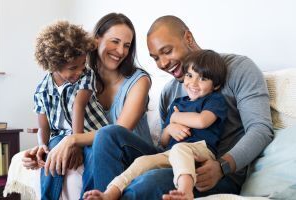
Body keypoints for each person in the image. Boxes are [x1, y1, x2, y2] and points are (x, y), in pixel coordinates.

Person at [83, 15, 274, 200]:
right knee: (107, 134)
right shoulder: (169, 92)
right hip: (173, 160)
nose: (163, 64)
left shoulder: (239, 68)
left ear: (188, 38)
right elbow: (165, 147)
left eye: (167, 51)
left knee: (146, 183)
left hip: (213, 172)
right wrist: (169, 129)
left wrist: (223, 166)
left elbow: (261, 129)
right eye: (156, 58)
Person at [22, 13, 154, 199]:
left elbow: (118, 132)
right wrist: (43, 148)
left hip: (132, 153)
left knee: (100, 144)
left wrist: (73, 139)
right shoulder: (80, 77)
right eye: (115, 41)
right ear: (96, 39)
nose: (121, 51)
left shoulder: (138, 81)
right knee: (57, 148)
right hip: (99, 148)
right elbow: (58, 121)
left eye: (127, 45)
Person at [83, 49, 228, 200]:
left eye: (203, 79)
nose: (193, 83)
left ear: (216, 85)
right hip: (170, 154)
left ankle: (185, 192)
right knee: (142, 162)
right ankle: (109, 193)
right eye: (190, 75)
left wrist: (176, 117)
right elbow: (163, 141)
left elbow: (202, 121)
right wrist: (170, 127)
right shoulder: (177, 103)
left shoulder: (214, 100)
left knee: (180, 148)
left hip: (200, 152)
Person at [27, 20, 109, 200]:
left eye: (82, 64)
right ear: (53, 64)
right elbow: (43, 126)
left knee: (96, 156)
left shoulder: (86, 75)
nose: (80, 71)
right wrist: (43, 145)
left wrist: (76, 143)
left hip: (90, 133)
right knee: (52, 155)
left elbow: (78, 106)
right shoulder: (42, 90)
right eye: (73, 67)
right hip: (61, 136)